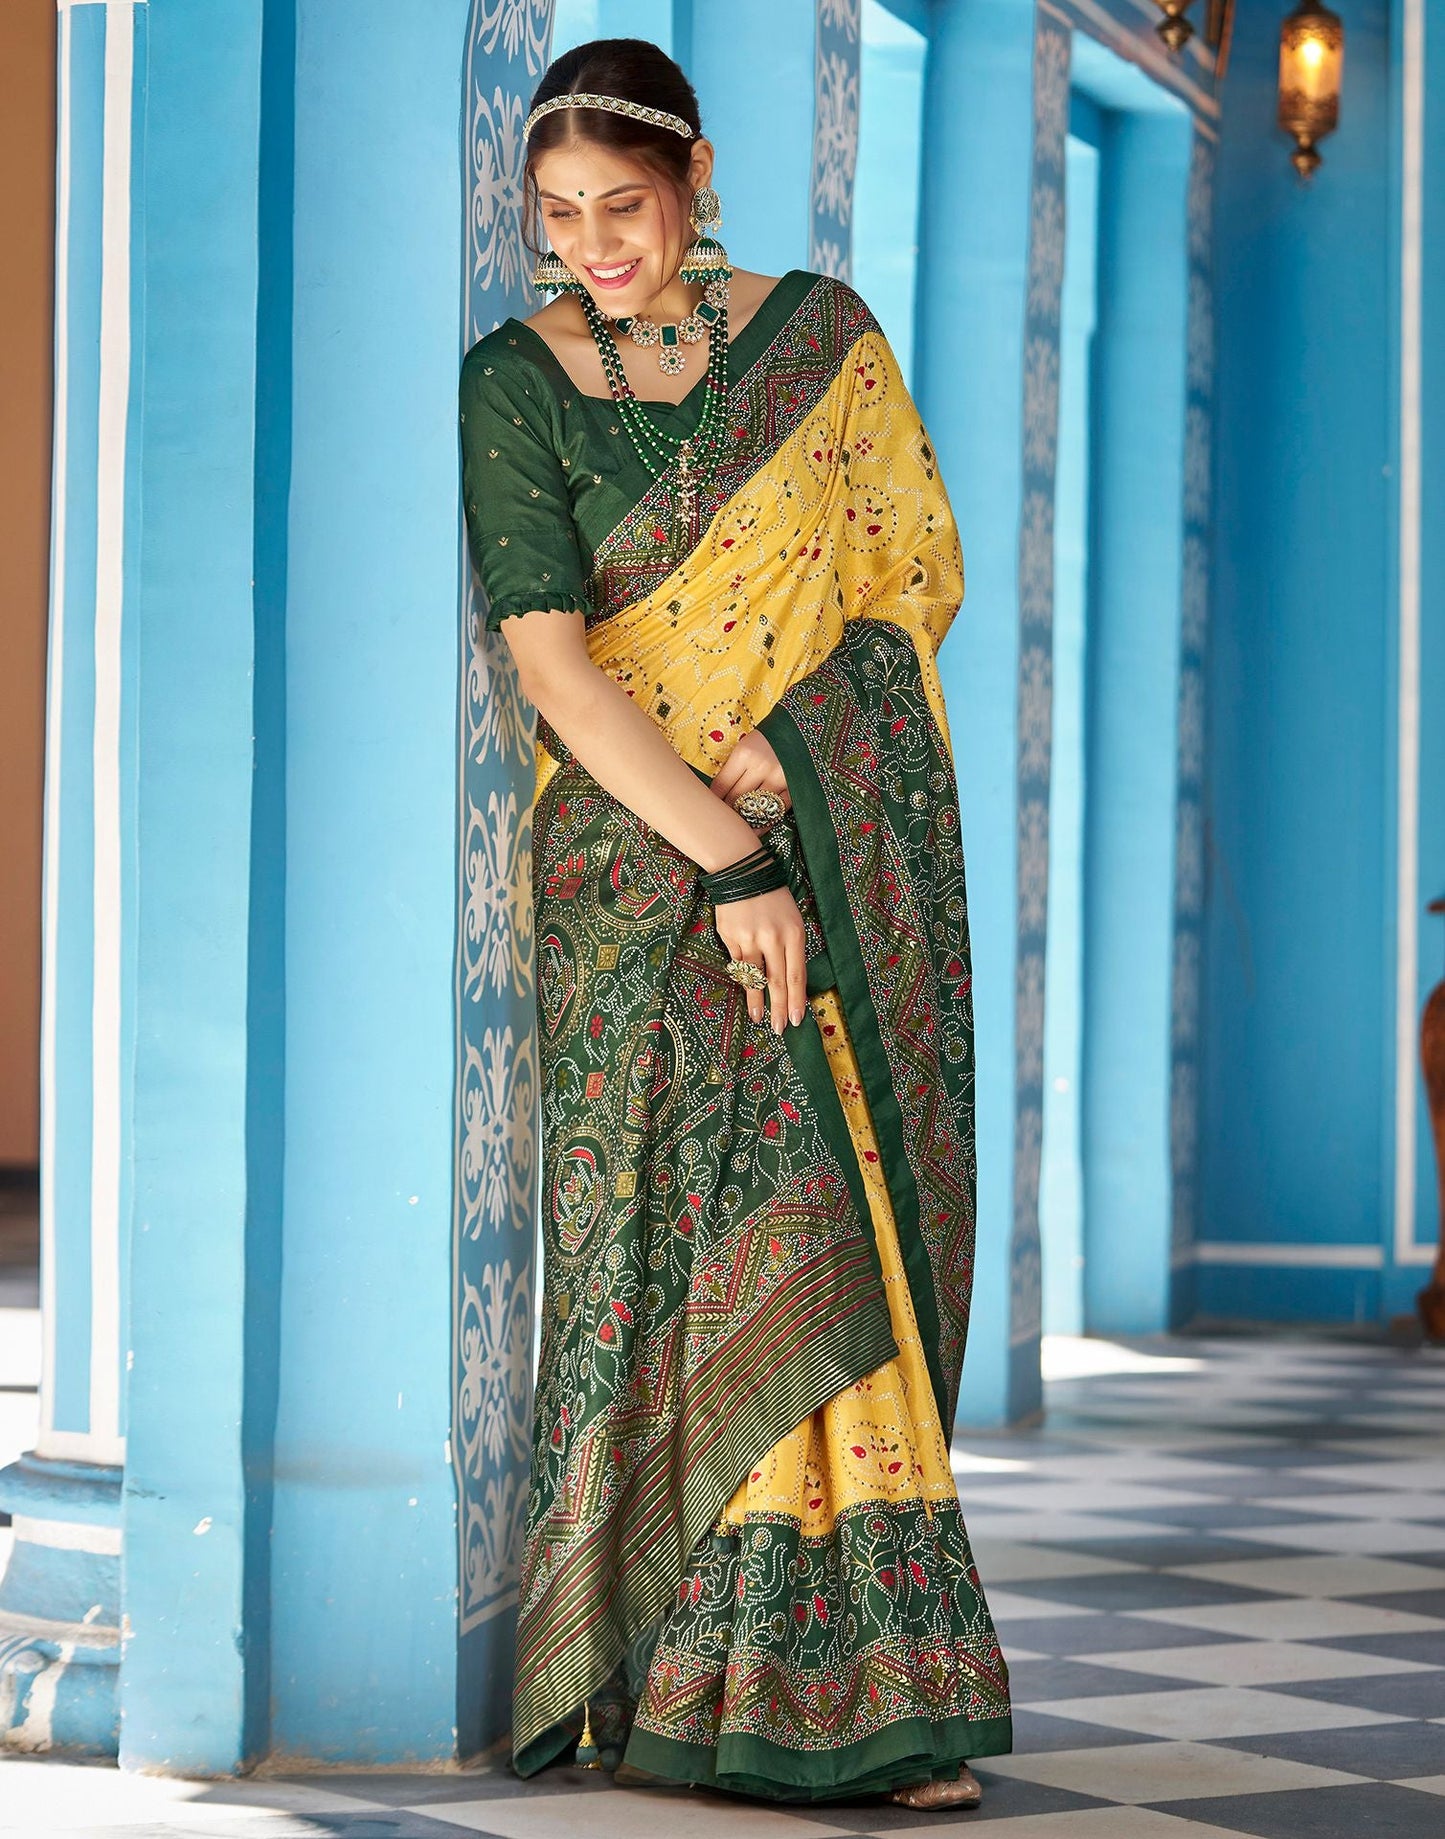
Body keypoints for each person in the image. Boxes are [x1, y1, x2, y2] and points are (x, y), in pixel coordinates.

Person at [458, 35, 1012, 1811]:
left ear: (696, 179)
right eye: (558, 216)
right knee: (722, 1234)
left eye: (623, 205)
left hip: (816, 837)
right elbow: (554, 668)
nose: (593, 245)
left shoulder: (823, 345)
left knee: (829, 1213)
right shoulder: (514, 383)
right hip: (637, 881)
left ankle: (866, 1695)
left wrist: (788, 781)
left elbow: (903, 583)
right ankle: (689, 1686)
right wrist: (729, 858)